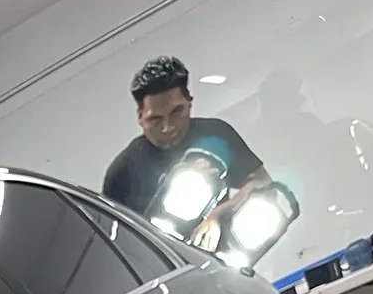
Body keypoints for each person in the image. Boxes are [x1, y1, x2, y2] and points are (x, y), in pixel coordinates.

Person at [103, 55, 270, 248]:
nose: (167, 127)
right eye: (155, 119)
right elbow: (114, 242)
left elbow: (262, 181)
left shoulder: (216, 135)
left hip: (227, 260)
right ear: (140, 117)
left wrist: (219, 214)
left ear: (190, 102)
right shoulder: (123, 172)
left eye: (176, 112)